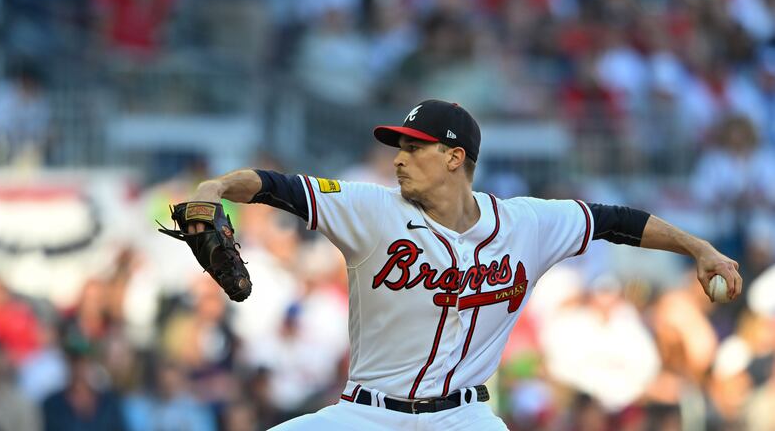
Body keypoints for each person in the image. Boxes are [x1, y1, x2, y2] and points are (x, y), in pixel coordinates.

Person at [183, 99, 742, 430]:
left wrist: (700, 248)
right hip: (367, 415)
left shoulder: (526, 223)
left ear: (455, 158)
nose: (399, 159)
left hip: (464, 419)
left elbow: (616, 220)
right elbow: (275, 186)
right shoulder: (370, 208)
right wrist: (216, 188)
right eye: (398, 147)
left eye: (414, 148)